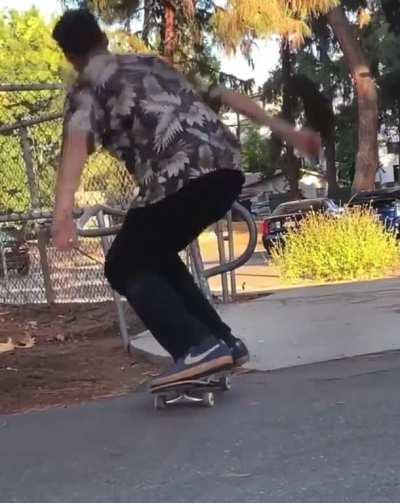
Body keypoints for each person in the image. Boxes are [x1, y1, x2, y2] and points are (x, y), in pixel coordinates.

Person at [51, 9, 321, 388]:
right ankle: (224, 343)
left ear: (70, 56)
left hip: (178, 179)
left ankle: (196, 346)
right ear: (104, 39)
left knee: (123, 263)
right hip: (226, 171)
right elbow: (225, 96)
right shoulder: (152, 64)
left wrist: (63, 215)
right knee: (152, 256)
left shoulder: (86, 89)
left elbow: (75, 149)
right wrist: (287, 132)